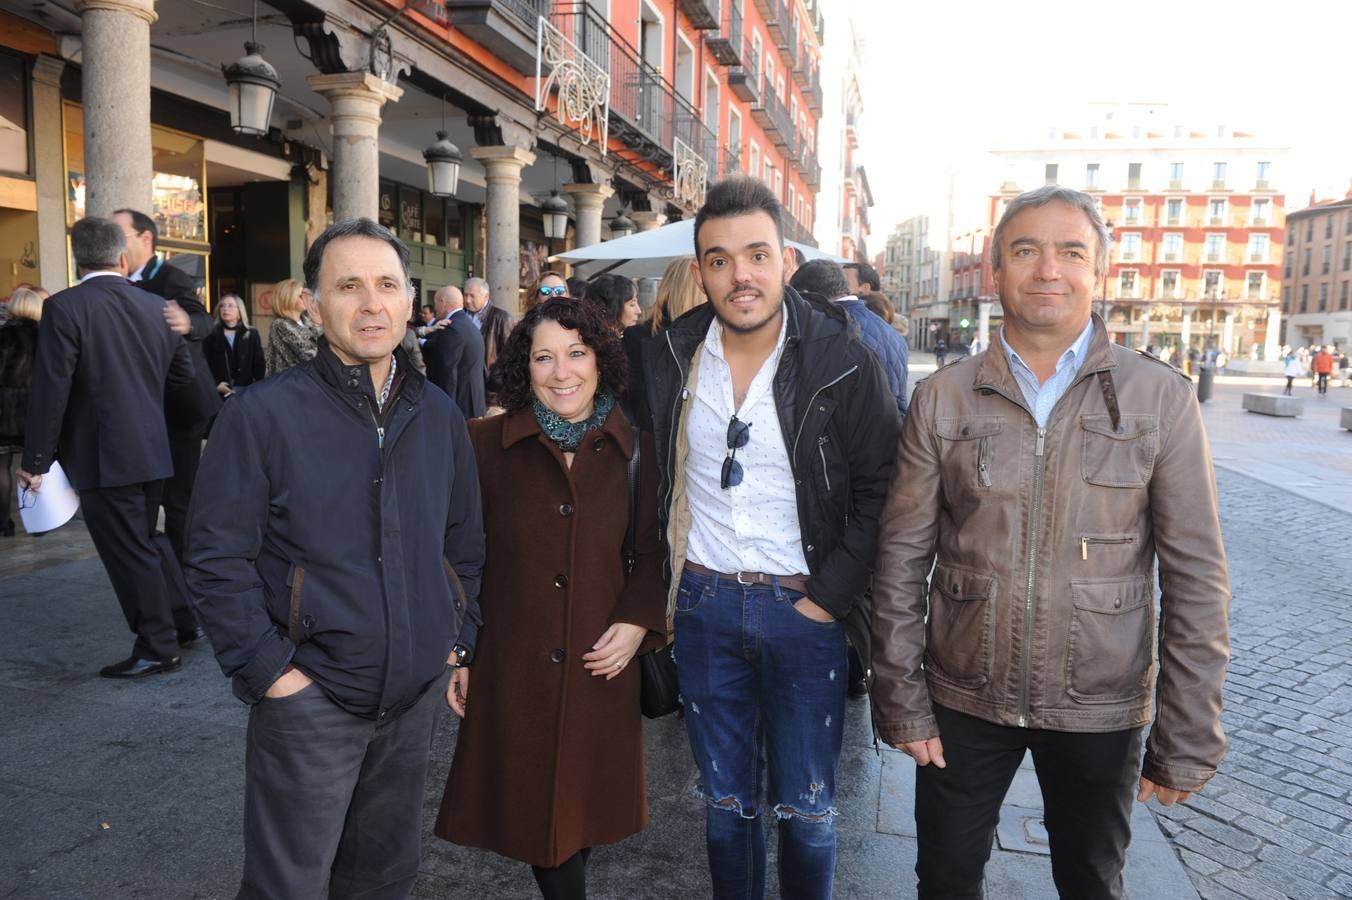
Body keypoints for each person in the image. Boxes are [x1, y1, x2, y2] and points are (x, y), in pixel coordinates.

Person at [870, 185, 1231, 899]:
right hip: (962, 696)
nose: (1047, 270)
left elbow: (1197, 578)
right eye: (1026, 250)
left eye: (1071, 252)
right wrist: (902, 699)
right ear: (995, 269)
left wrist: (1186, 732)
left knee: (1092, 883)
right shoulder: (944, 396)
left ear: (1099, 271)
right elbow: (900, 560)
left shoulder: (1161, 399)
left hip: (1099, 699)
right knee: (942, 879)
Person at [185, 218, 484, 898]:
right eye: (348, 286)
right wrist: (270, 672)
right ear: (314, 307)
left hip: (412, 700)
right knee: (287, 886)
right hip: (308, 699)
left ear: (411, 301)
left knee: (382, 880)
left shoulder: (438, 415)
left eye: (386, 285)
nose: (370, 303)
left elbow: (464, 541)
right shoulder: (260, 416)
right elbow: (213, 558)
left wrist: (455, 640)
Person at [644, 176, 901, 897]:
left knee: (809, 811)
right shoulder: (670, 356)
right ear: (700, 273)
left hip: (805, 613)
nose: (740, 275)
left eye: (756, 254)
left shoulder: (842, 359)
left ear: (786, 260)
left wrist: (829, 598)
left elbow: (886, 489)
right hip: (704, 610)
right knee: (726, 807)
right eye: (719, 260)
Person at [436, 297, 665, 899]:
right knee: (544, 823)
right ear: (524, 367)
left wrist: (639, 622)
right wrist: (461, 653)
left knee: (577, 817)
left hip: (601, 666)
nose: (562, 372)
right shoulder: (481, 444)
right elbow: (458, 558)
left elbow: (657, 553)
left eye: (576, 353)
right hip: (513, 668)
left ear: (599, 359)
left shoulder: (639, 449)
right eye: (544, 357)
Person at [19, 217, 197, 676]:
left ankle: (158, 646)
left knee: (128, 548)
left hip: (102, 450)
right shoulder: (155, 306)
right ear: (121, 258)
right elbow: (182, 380)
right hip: (152, 446)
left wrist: (36, 459)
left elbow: (52, 387)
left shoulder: (65, 307)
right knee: (147, 539)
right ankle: (180, 622)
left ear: (78, 259)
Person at [113, 208, 221, 566]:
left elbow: (205, 321)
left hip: (178, 407)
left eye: (119, 235)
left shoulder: (169, 277)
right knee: (144, 496)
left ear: (145, 239)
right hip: (140, 409)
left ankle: (186, 578)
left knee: (179, 499)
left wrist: (187, 321)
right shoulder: (116, 281)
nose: (113, 244)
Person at [790, 259, 910, 420]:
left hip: (850, 438)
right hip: (890, 435)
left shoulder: (828, 329)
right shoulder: (894, 334)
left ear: (804, 294)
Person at [0, 287, 44, 536]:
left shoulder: (2, 335)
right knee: (38, 466)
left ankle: (4, 524)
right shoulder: (47, 337)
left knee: (1, 469)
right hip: (36, 413)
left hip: (4, 413)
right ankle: (40, 522)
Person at [423, 284, 486, 419]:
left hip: (461, 405)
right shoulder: (467, 324)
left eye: (435, 303)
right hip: (474, 400)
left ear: (443, 302)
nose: (435, 308)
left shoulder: (453, 328)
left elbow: (447, 373)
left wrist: (445, 408)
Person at [203, 294, 265, 398]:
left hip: (247, 391)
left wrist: (256, 388)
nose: (225, 309)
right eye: (222, 306)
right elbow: (204, 365)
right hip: (220, 393)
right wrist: (216, 384)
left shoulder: (251, 334)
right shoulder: (211, 335)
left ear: (239, 312)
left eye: (230, 305)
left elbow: (259, 365)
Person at [265, 278, 320, 376]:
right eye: (300, 296)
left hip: (306, 379)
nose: (305, 299)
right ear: (288, 298)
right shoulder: (280, 325)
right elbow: (305, 354)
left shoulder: (308, 322)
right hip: (290, 383)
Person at [464, 276, 513, 371]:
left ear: (486, 296)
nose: (467, 300)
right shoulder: (461, 315)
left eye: (472, 296)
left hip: (489, 380)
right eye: (465, 295)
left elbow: (511, 353)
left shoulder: (501, 318)